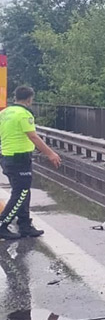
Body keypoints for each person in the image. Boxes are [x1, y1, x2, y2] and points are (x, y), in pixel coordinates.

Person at [0, 86, 62, 240]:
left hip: (7, 156)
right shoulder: (24, 114)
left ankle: (25, 225)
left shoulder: (4, 113)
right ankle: (2, 224)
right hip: (19, 158)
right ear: (29, 99)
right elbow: (33, 136)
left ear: (15, 97)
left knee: (23, 192)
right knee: (20, 193)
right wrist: (50, 153)